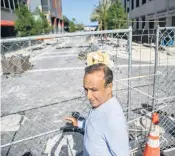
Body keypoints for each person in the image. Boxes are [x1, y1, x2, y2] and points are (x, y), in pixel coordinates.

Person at [65, 63, 129, 156]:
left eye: (94, 90)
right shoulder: (100, 106)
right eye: (86, 89)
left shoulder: (113, 120)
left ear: (109, 87)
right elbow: (95, 125)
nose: (88, 96)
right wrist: (79, 123)